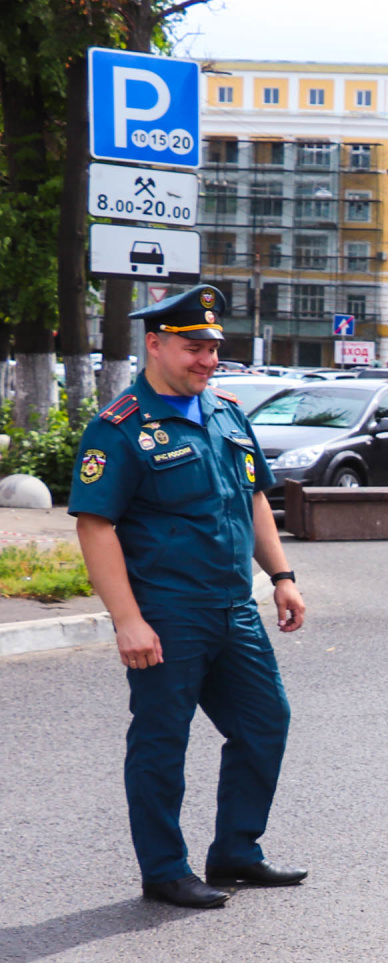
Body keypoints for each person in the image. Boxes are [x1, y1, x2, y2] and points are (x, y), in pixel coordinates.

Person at [68, 285, 309, 910]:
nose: (206, 359)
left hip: (234, 607)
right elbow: (95, 525)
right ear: (155, 344)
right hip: (167, 614)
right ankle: (165, 869)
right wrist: (127, 620)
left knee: (264, 724)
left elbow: (253, 495)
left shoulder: (227, 412)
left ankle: (236, 851)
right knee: (161, 741)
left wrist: (281, 577)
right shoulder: (119, 427)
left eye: (212, 348)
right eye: (192, 347)